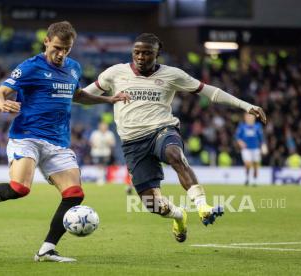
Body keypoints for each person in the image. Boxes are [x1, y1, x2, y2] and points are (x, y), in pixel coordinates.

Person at [0, 21, 129, 263]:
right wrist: (2, 104)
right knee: (20, 189)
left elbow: (77, 95)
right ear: (47, 41)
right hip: (27, 136)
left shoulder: (74, 68)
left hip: (58, 142)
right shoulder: (30, 67)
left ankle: (47, 249)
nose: (61, 54)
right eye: (58, 48)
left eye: (67, 49)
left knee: (74, 194)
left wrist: (109, 99)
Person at [84, 33, 267, 243]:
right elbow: (82, 96)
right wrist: (106, 98)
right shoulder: (115, 73)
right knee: (153, 205)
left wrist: (247, 106)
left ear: (157, 54)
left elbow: (210, 92)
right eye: (137, 52)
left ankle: (202, 206)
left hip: (162, 130)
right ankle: (179, 216)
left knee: (174, 154)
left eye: (147, 53)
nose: (141, 57)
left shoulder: (172, 75)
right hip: (133, 142)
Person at [235, 113, 267, 186]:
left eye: (251, 116)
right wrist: (240, 142)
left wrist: (264, 146)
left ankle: (255, 181)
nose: (249, 118)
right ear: (245, 117)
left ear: (254, 118)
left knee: (256, 165)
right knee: (248, 164)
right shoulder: (242, 126)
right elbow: (237, 137)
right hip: (246, 149)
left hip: (256, 149)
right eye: (247, 116)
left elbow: (261, 138)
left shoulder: (257, 126)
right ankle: (247, 178)